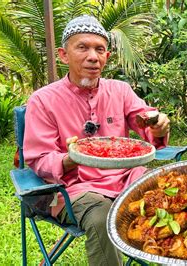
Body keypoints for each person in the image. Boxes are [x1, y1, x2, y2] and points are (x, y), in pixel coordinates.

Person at [23, 15, 170, 265]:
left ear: (107, 57)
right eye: (83, 47)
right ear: (63, 55)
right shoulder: (43, 100)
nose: (93, 56)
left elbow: (143, 122)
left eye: (99, 49)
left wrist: (157, 126)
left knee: (172, 198)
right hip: (73, 188)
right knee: (103, 217)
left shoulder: (120, 90)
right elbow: (40, 161)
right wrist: (74, 157)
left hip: (126, 179)